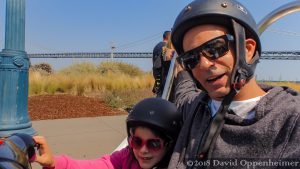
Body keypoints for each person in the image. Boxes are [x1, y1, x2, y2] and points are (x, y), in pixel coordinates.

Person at [167, 0, 300, 168]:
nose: (204, 65)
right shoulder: (195, 106)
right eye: (191, 58)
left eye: (215, 48)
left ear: (248, 49)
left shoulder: (291, 121)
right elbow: (183, 92)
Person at [33, 97, 182, 169]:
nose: (143, 150)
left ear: (169, 144)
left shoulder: (177, 164)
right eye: (137, 141)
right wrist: (54, 163)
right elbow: (93, 166)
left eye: (154, 143)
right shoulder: (127, 157)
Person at [152, 31, 174, 97]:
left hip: (157, 73)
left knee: (159, 93)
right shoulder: (165, 46)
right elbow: (167, 57)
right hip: (163, 74)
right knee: (163, 94)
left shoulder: (156, 46)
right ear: (169, 37)